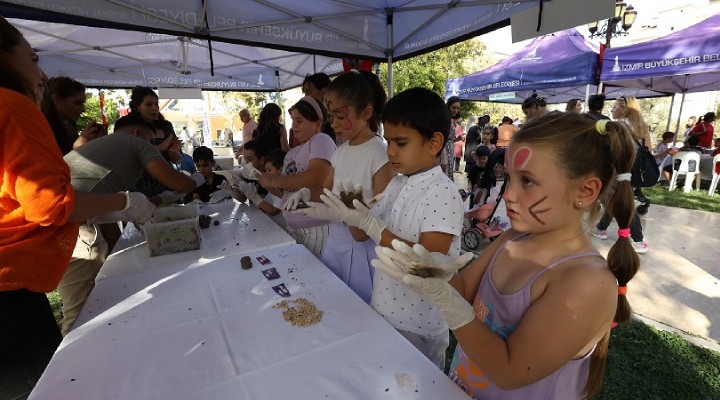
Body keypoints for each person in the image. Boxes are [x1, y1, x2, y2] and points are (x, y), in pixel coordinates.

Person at [372, 112, 641, 399]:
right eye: (508, 177)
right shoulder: (513, 238)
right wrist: (438, 275)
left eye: (527, 181)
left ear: (585, 191)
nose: (508, 193)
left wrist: (449, 305)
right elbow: (463, 292)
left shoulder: (586, 283)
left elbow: (508, 371)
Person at [0, 16, 156, 398]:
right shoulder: (12, 106)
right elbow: (46, 203)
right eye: (34, 59)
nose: (41, 74)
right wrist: (125, 201)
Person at [308, 87, 465, 369]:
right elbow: (362, 230)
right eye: (389, 140)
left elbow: (427, 265)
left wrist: (372, 224)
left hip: (418, 322)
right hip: (384, 308)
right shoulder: (398, 182)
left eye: (401, 143)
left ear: (434, 143)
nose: (390, 151)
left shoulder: (442, 193)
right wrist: (345, 210)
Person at [59, 115, 201, 335]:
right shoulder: (134, 142)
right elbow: (179, 182)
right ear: (137, 134)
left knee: (89, 301)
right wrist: (195, 181)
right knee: (82, 311)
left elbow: (98, 198)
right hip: (70, 228)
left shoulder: (101, 148)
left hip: (69, 221)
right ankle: (72, 365)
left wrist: (160, 198)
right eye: (151, 140)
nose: (152, 146)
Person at [289, 71, 392, 303]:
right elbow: (324, 191)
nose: (333, 123)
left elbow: (373, 226)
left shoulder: (379, 153)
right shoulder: (341, 151)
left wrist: (351, 216)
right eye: (330, 116)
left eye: (339, 115)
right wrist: (305, 194)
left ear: (366, 112)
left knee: (360, 312)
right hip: (336, 244)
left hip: (364, 254)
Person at [257, 96, 337, 257]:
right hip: (294, 228)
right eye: (292, 120)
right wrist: (263, 181)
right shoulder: (291, 153)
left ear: (318, 124)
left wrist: (274, 180)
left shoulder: (320, 140)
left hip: (316, 228)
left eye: (299, 121)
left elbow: (316, 177)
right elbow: (285, 192)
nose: (294, 126)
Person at [593, 95, 651, 253]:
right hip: (634, 170)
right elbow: (649, 149)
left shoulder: (619, 126)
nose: (611, 109)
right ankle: (601, 227)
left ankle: (638, 239)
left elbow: (610, 152)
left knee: (622, 202)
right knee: (616, 199)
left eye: (614, 106)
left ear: (623, 109)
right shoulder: (641, 126)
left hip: (617, 170)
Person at [128, 86, 184, 204]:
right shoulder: (128, 127)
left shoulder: (165, 126)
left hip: (166, 184)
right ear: (137, 107)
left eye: (156, 104)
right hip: (141, 187)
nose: (154, 108)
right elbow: (130, 158)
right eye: (148, 104)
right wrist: (161, 147)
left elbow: (177, 160)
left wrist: (173, 152)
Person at [42, 76, 107, 155]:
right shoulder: (42, 128)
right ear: (57, 99)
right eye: (77, 103)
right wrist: (76, 149)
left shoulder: (70, 124)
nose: (83, 109)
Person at [235, 149, 287, 228]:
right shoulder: (272, 186)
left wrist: (254, 197)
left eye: (269, 170)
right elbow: (269, 201)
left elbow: (273, 211)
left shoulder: (284, 188)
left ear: (281, 169)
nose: (266, 173)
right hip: (270, 225)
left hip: (281, 228)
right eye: (266, 170)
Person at [295, 72, 336, 146]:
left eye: (308, 91)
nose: (305, 97)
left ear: (323, 92)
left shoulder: (336, 117)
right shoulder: (314, 119)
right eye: (304, 93)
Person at [443, 96, 462, 181]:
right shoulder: (444, 119)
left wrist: (456, 139)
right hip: (444, 151)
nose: (456, 110)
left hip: (450, 149)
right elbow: (442, 138)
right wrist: (443, 158)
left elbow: (449, 138)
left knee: (449, 174)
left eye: (458, 108)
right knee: (444, 175)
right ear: (448, 106)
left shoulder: (451, 119)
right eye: (453, 107)